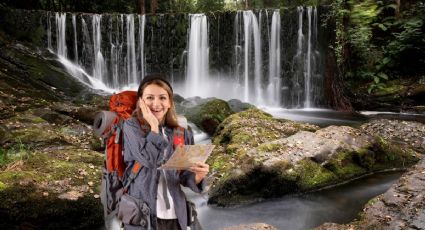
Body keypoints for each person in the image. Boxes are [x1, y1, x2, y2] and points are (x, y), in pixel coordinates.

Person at [121, 73, 209, 230]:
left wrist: (198, 176)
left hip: (177, 213)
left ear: (170, 102)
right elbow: (149, 159)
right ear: (140, 101)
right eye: (149, 98)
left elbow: (182, 175)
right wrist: (154, 128)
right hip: (143, 214)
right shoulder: (131, 127)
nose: (156, 103)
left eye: (162, 98)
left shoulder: (182, 133)